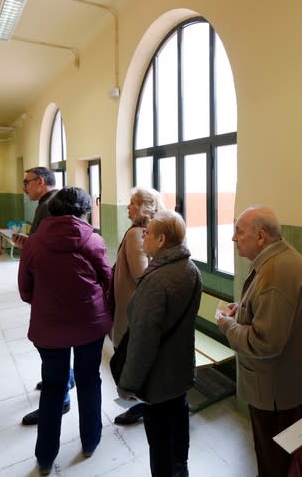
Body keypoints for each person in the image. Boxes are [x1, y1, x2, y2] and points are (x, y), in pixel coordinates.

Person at [217, 206, 302, 477]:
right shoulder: (279, 260)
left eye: (239, 232)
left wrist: (228, 325)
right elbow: (271, 313)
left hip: (274, 390)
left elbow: (265, 342)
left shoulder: (275, 272)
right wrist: (244, 309)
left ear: (260, 236)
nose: (233, 238)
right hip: (281, 384)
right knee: (279, 457)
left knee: (275, 462)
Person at [18, 187, 113, 475]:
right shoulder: (93, 240)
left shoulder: (33, 243)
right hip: (90, 325)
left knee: (53, 388)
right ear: (84, 211)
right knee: (89, 381)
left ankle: (45, 458)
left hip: (48, 329)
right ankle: (90, 441)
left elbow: (25, 291)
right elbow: (106, 280)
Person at [117, 210, 201, 477]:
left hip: (158, 378)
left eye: (148, 233)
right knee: (179, 427)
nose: (143, 237)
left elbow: (143, 342)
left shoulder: (155, 281)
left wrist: (128, 384)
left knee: (161, 440)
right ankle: (181, 469)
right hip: (180, 368)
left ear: (162, 239)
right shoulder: (190, 268)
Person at [14, 167, 75, 427]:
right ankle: (66, 379)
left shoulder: (48, 205)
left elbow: (44, 249)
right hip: (60, 288)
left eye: (26, 182)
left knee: (52, 344)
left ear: (40, 182)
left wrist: (28, 246)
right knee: (58, 344)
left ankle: (59, 398)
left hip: (51, 289)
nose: (24, 187)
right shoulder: (54, 203)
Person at [111, 186, 163, 426]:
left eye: (132, 203)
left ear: (143, 207)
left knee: (126, 360)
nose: (128, 207)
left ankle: (136, 407)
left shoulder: (136, 233)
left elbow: (142, 274)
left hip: (131, 307)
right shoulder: (147, 231)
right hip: (132, 305)